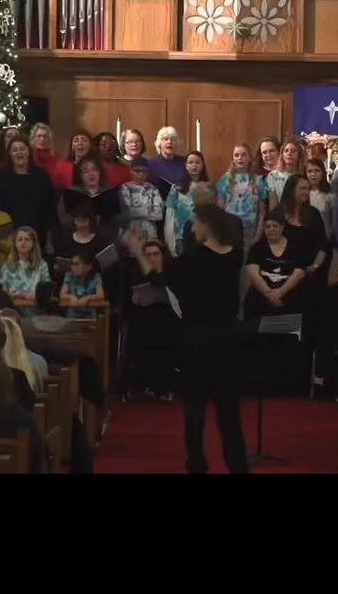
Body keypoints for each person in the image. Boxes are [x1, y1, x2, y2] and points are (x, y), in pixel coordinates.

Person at [125, 203, 249, 474]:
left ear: (207, 224)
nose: (192, 228)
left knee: (195, 407)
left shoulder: (194, 258)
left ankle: (196, 465)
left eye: (195, 222)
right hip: (227, 339)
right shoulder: (236, 255)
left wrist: (137, 251)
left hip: (196, 339)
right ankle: (238, 466)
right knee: (229, 408)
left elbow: (158, 279)